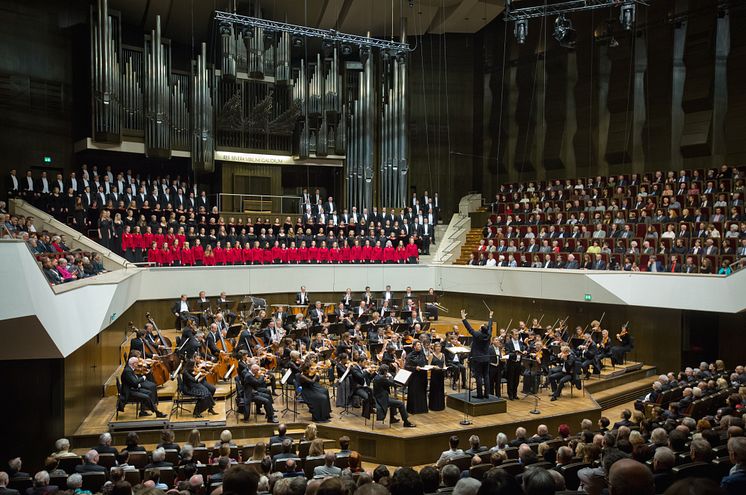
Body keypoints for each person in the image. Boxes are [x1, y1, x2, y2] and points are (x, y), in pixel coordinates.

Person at [461, 308, 494, 399]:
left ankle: (480, 395)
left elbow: (469, 328)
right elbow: (490, 326)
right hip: (486, 358)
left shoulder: (477, 335)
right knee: (486, 376)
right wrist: (490, 317)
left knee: (479, 376)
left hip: (478, 359)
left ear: (480, 329)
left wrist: (463, 318)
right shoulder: (489, 334)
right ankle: (486, 394)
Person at [404, 341, 429, 414]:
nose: (420, 346)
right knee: (414, 392)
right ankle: (413, 409)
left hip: (422, 375)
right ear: (414, 346)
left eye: (420, 345)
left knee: (422, 391)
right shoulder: (410, 355)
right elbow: (406, 366)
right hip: (414, 377)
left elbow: (425, 363)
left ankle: (422, 409)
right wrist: (415, 368)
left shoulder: (422, 354)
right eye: (418, 345)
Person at [504, 328, 527, 400]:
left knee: (517, 379)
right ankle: (510, 395)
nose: (517, 336)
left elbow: (523, 349)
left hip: (518, 363)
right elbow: (507, 353)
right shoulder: (508, 343)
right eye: (515, 335)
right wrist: (514, 353)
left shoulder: (520, 343)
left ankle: (515, 394)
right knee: (510, 379)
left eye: (518, 334)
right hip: (511, 363)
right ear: (512, 335)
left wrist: (524, 352)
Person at [427, 342, 446, 411]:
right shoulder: (431, 355)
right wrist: (434, 367)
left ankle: (441, 406)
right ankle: (434, 406)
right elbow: (428, 365)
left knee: (440, 389)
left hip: (441, 374)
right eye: (437, 346)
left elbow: (444, 364)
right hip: (434, 374)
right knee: (435, 389)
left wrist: (444, 368)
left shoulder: (443, 355)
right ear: (434, 347)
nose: (438, 348)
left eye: (439, 346)